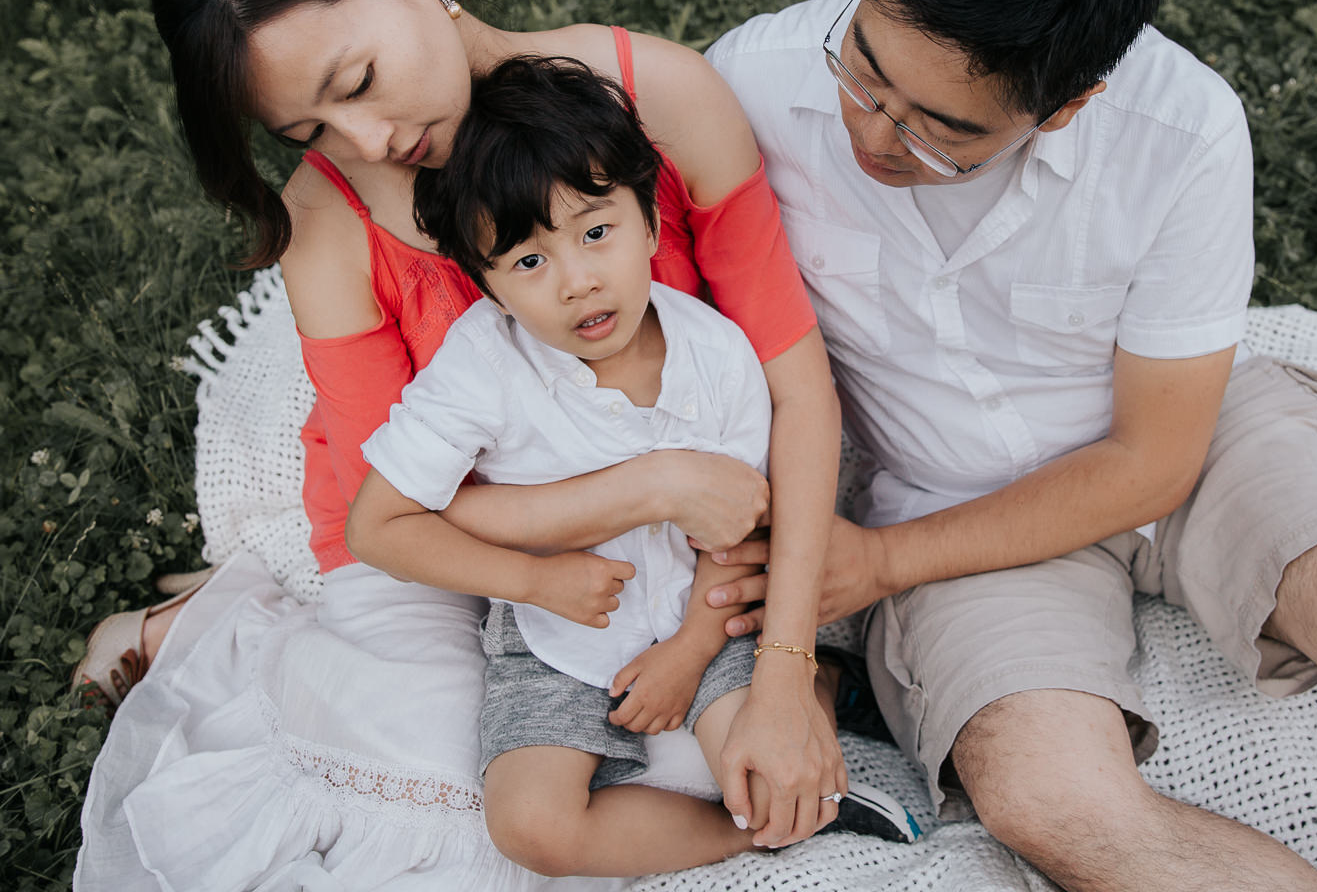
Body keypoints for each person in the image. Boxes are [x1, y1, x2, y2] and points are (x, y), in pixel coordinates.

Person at [703, 0, 1317, 888]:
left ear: (1072, 101)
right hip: (954, 506)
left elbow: (1153, 459)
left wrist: (878, 563)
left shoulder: (1184, 127)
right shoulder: (750, 82)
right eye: (863, 73)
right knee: (1057, 803)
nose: (872, 135)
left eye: (943, 133)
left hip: (1189, 443)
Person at [74, 0, 846, 885]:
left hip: (693, 510)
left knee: (712, 743)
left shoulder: (659, 94)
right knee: (449, 790)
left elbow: (798, 391)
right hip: (456, 543)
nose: (367, 136)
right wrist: (649, 487)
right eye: (313, 123)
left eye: (359, 80)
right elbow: (393, 514)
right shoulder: (335, 210)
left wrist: (785, 665)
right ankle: (202, 628)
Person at [347, 56, 917, 876]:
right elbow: (377, 528)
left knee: (757, 768)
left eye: (596, 232)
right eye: (529, 263)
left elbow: (738, 529)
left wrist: (688, 650)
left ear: (649, 223)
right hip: (554, 632)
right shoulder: (480, 366)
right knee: (531, 827)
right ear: (489, 287)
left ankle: (806, 731)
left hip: (708, 611)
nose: (578, 282)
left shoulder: (714, 355)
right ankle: (739, 833)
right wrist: (534, 583)